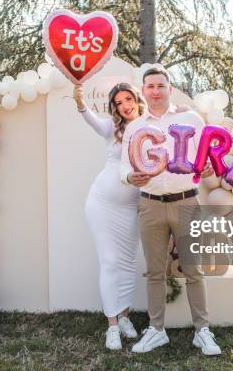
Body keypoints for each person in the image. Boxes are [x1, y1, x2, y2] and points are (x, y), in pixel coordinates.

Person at [120, 67, 222, 356]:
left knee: (193, 269)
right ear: (143, 90)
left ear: (169, 88)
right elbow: (123, 165)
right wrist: (129, 178)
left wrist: (209, 166)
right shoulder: (134, 127)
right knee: (154, 272)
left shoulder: (189, 119)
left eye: (160, 85)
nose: (155, 90)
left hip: (186, 201)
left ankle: (202, 331)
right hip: (150, 203)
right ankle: (156, 330)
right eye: (150, 85)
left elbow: (206, 158)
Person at [73, 82, 144, 350]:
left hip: (131, 207)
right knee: (110, 261)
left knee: (128, 262)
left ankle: (125, 316)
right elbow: (88, 117)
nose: (125, 105)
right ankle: (112, 326)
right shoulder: (111, 128)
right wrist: (80, 102)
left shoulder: (150, 127)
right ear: (114, 107)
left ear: (137, 99)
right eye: (118, 102)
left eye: (128, 99)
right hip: (102, 203)